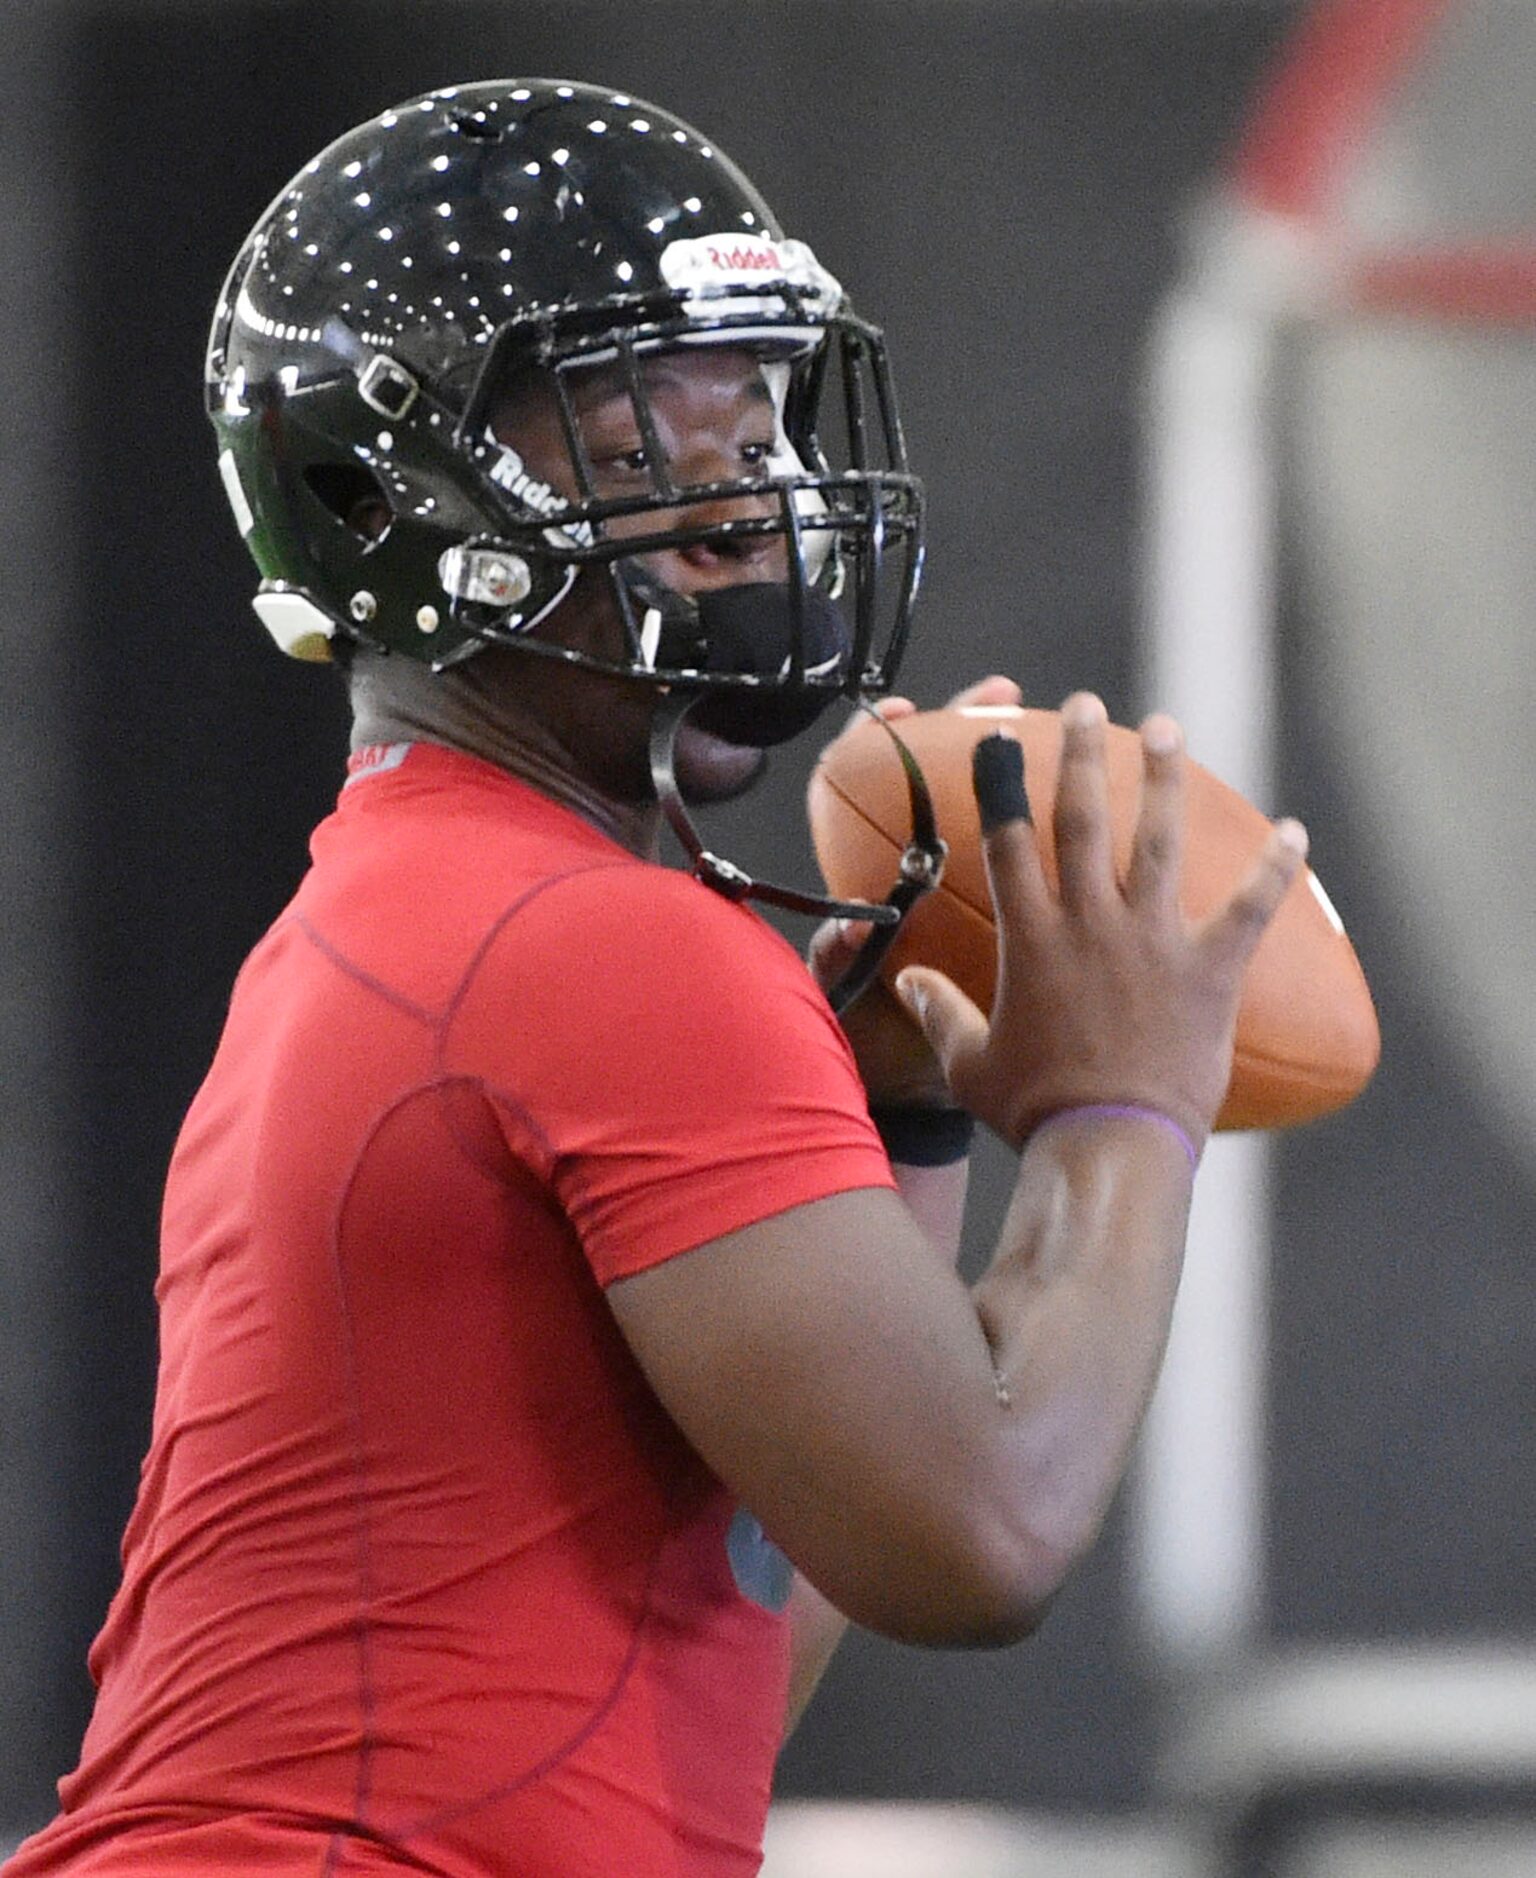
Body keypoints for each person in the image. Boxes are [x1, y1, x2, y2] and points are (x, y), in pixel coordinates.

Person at [6, 79, 1306, 1878]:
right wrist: (1124, 1104)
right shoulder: (602, 944)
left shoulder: (429, 913)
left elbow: (722, 1647)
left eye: (760, 424)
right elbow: (982, 1532)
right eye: (642, 450)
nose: (754, 506)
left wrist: (905, 1118)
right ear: (379, 496)